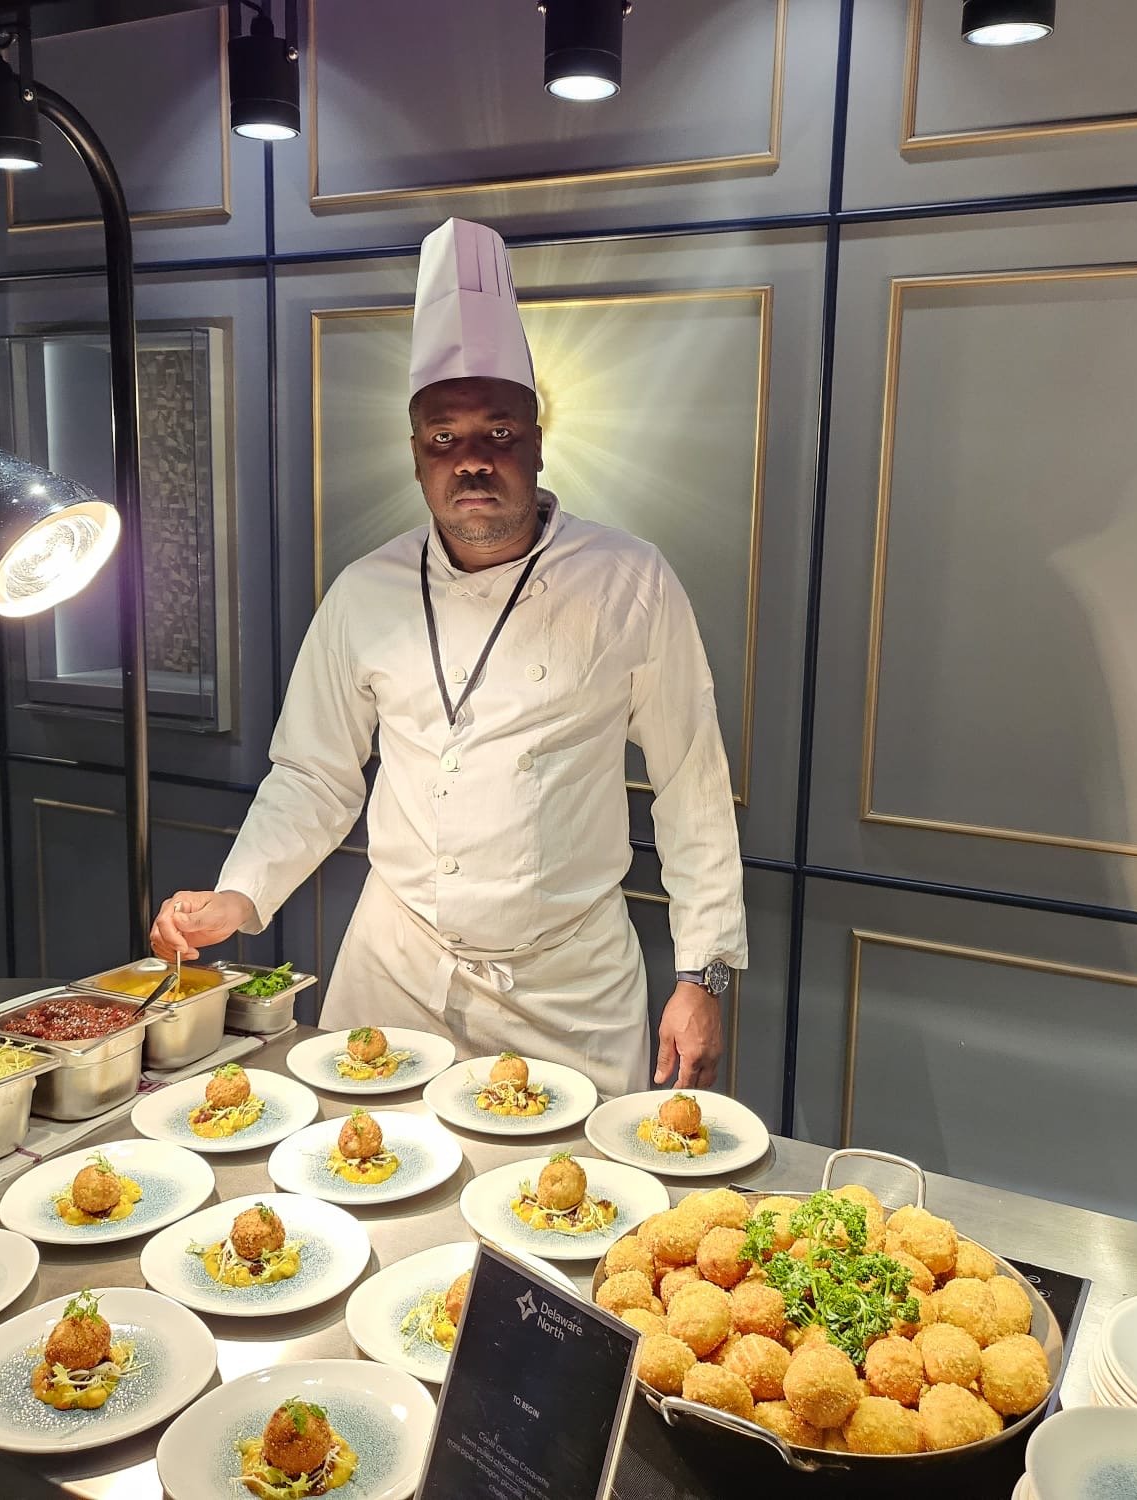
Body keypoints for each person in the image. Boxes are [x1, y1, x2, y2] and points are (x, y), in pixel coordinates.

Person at [151, 217, 746, 1095]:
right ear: (417, 455)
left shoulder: (630, 581)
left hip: (567, 987)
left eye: (498, 433)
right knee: (362, 1189)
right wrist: (242, 895)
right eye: (444, 438)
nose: (471, 461)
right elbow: (315, 772)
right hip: (394, 970)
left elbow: (690, 778)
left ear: (538, 442)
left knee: (563, 1216)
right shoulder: (365, 590)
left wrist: (702, 974)